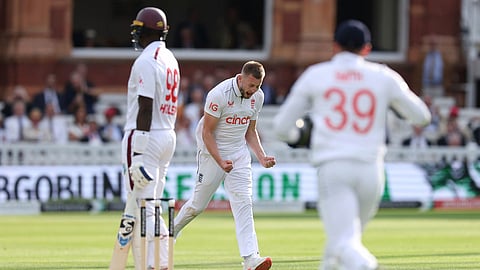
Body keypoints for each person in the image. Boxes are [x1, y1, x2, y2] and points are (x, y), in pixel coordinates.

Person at [273, 20, 431, 270]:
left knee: (344, 242)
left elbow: (281, 127)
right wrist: (391, 104)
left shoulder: (317, 74)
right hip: (371, 171)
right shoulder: (384, 76)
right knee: (340, 246)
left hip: (334, 167)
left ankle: (367, 266)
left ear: (334, 46)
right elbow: (421, 116)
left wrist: (300, 136)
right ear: (366, 49)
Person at [174, 61, 275, 270]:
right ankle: (170, 232)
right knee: (197, 205)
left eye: (257, 86)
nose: (253, 90)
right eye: (250, 85)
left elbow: (250, 130)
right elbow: (207, 132)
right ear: (241, 78)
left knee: (244, 202)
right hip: (213, 152)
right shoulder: (219, 94)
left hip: (239, 153)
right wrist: (220, 161)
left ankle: (251, 258)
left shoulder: (258, 97)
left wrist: (262, 156)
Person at [121, 7, 180, 270]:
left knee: (143, 206)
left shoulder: (146, 60)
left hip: (146, 135)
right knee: (151, 204)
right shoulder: (171, 58)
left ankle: (154, 264)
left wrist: (139, 152)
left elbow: (145, 105)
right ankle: (158, 262)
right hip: (167, 134)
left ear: (143, 31)